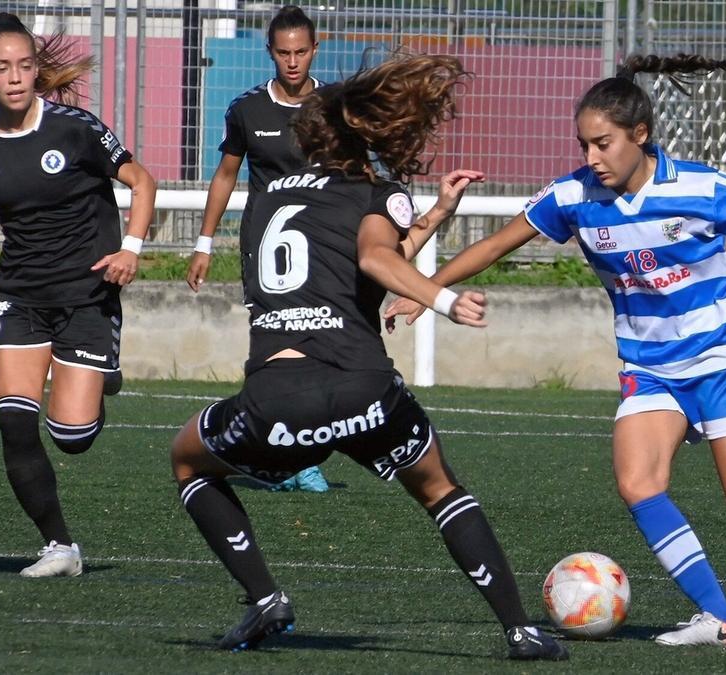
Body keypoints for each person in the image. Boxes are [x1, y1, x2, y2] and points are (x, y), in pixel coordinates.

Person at [385, 52, 726, 647]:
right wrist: (428, 292)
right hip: (650, 368)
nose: (591, 158)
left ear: (641, 135)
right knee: (638, 485)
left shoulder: (698, 187)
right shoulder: (573, 197)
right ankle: (721, 620)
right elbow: (500, 244)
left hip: (722, 360)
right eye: (583, 145)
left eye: (603, 144)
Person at [168, 53, 568, 660]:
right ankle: (519, 630)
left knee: (189, 462)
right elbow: (376, 259)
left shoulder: (267, 198)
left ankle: (264, 597)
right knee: (439, 490)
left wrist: (434, 215)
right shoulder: (374, 193)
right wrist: (443, 299)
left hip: (279, 403)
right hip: (363, 392)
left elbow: (349, 254)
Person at [0, 12, 157, 577]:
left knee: (72, 437)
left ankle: (102, 366)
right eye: (2, 68)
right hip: (20, 298)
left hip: (87, 297)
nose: (15, 77)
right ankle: (60, 548)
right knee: (15, 422)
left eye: (24, 65)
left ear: (36, 69)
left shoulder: (75, 128)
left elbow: (143, 181)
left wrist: (132, 249)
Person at [187, 4, 328, 492]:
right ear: (270, 52)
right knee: (276, 352)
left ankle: (289, 449)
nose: (293, 62)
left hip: (326, 248)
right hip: (267, 252)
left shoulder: (336, 107)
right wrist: (204, 242)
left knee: (323, 350)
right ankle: (288, 456)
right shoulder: (247, 110)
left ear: (316, 48)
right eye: (283, 53)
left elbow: (358, 175)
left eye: (301, 52)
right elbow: (226, 175)